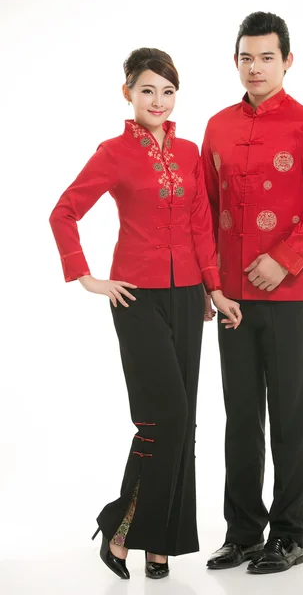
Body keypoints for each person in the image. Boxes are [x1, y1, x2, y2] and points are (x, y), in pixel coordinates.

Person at [49, 47, 242, 581]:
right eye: (148, 89)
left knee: (185, 424)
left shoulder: (188, 151)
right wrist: (87, 277)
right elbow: (64, 211)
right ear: (128, 93)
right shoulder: (112, 153)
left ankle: (161, 544)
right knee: (165, 418)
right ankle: (119, 525)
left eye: (168, 91)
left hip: (187, 298)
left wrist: (214, 288)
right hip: (135, 297)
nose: (158, 100)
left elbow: (202, 223)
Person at [202, 12, 303, 574]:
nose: (255, 66)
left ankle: (288, 534)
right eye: (246, 56)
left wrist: (284, 258)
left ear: (288, 60)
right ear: (235, 60)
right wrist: (209, 286)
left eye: (266, 56)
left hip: (286, 297)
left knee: (288, 416)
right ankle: (241, 532)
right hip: (230, 301)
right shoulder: (216, 126)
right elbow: (203, 213)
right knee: (240, 417)